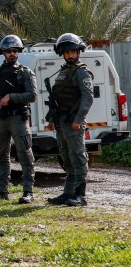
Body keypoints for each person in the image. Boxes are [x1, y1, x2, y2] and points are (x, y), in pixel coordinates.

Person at [0, 35, 37, 204]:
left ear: (19, 52)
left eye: (15, 51)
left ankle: (28, 191)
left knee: (25, 155)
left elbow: (32, 95)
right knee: (1, 156)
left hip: (18, 118)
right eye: (8, 51)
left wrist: (11, 97)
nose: (12, 54)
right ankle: (2, 190)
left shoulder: (25, 72)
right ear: (3, 53)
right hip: (0, 120)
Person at [46, 33, 94, 207]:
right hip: (61, 122)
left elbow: (87, 98)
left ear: (78, 52)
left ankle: (80, 195)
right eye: (67, 53)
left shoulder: (82, 72)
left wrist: (78, 119)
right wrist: (51, 119)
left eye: (73, 52)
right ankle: (68, 193)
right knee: (66, 158)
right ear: (62, 54)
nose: (70, 55)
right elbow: (57, 99)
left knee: (78, 158)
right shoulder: (62, 72)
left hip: (74, 122)